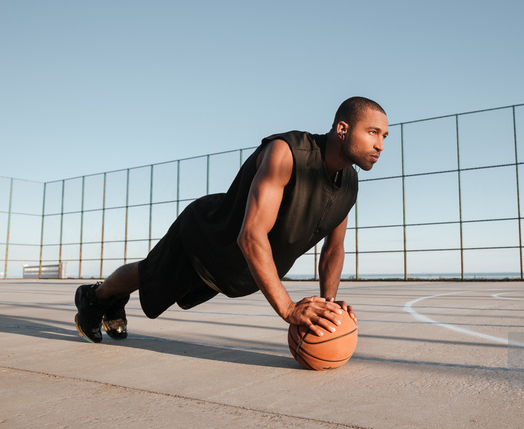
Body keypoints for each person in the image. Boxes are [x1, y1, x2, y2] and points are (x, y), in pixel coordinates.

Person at [74, 97, 388, 344]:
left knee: (161, 282)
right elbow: (251, 234)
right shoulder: (287, 153)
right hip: (206, 239)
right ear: (343, 129)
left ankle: (110, 299)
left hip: (235, 271)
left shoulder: (349, 185)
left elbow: (334, 249)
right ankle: (95, 298)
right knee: (147, 274)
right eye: (373, 132)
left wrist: (328, 308)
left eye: (384, 136)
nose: (380, 145)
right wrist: (288, 308)